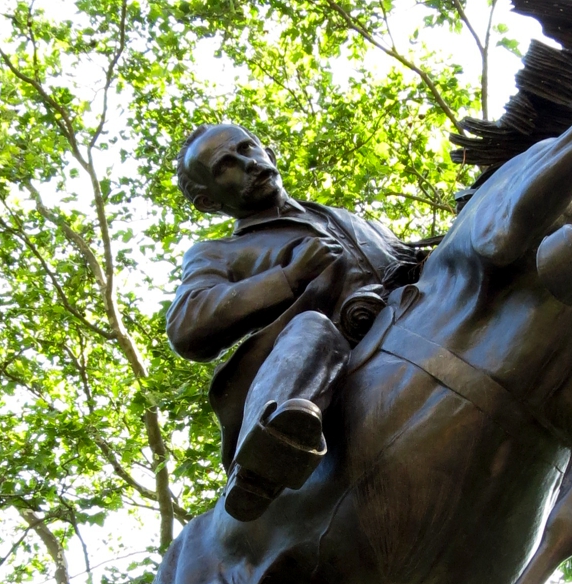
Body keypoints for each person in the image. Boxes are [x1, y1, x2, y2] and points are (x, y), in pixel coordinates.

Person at [168, 122, 425, 519]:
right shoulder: (218, 253)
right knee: (313, 329)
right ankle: (262, 461)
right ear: (207, 200)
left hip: (407, 340)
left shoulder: (348, 219)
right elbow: (187, 325)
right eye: (226, 166)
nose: (249, 162)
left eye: (248, 148)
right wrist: (287, 278)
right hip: (324, 372)